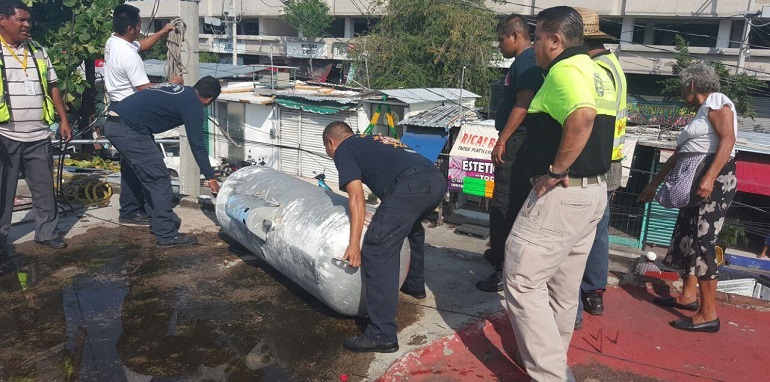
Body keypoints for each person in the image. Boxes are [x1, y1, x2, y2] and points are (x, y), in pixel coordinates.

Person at [503, 6, 616, 380]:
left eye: (537, 39)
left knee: (521, 280)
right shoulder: (598, 71)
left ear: (555, 40)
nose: (534, 47)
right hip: (593, 193)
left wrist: (556, 170)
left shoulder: (566, 69)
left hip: (563, 194)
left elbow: (581, 118)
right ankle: (555, 361)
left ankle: (551, 374)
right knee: (562, 290)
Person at [322, 121, 446, 353]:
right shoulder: (373, 140)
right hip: (436, 181)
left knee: (377, 246)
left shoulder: (344, 150)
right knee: (412, 228)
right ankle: (414, 285)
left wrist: (354, 245)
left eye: (328, 151)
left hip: (411, 185)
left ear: (331, 143)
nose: (330, 155)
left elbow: (356, 197)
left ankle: (381, 334)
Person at [638, 62, 737, 334]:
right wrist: (654, 184)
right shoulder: (700, 114)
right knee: (687, 237)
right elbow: (681, 154)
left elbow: (728, 140)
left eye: (683, 86)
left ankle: (708, 314)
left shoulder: (717, 102)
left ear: (692, 84)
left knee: (704, 242)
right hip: (696, 181)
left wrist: (709, 177)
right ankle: (688, 295)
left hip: (713, 181)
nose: (682, 91)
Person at [104, 77, 221, 248]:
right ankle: (167, 235)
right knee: (159, 179)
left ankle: (133, 212)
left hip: (116, 123)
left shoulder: (180, 91)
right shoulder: (193, 104)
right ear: (210, 99)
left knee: (142, 171)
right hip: (129, 129)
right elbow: (197, 145)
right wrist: (211, 178)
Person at [0, 0, 72, 255]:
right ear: (3, 20)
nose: (27, 25)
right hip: (5, 135)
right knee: (3, 192)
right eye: (21, 20)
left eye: (28, 20)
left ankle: (47, 233)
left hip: (39, 134)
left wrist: (63, 121)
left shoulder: (38, 49)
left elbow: (53, 86)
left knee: (44, 189)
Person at [478, 14, 543, 293]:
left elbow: (523, 103)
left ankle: (502, 268)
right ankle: (499, 258)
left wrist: (502, 140)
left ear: (515, 36)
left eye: (501, 39)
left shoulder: (527, 61)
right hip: (517, 141)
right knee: (504, 202)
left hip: (516, 142)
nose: (499, 44)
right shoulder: (524, 61)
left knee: (503, 204)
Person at [574, 8, 628, 329]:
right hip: (613, 159)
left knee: (585, 231)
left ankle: (583, 297)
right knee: (598, 229)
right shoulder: (614, 66)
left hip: (597, 160)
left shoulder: (595, 70)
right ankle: (593, 293)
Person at [105, 3, 182, 226]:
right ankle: (163, 223)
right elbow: (144, 89)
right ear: (131, 28)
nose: (141, 28)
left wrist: (162, 32)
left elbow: (140, 45)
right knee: (155, 170)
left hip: (118, 116)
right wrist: (172, 84)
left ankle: (130, 211)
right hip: (130, 120)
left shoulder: (114, 42)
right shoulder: (129, 57)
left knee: (131, 167)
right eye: (139, 25)